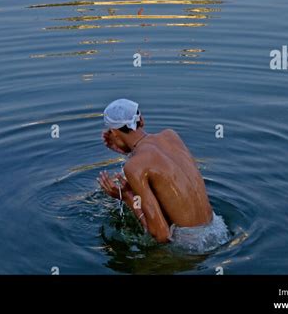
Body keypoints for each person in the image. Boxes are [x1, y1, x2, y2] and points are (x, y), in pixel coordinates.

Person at [98, 99, 229, 254]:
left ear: (113, 132)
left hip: (190, 247)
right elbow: (156, 164)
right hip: (219, 230)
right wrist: (128, 152)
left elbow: (161, 235)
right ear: (142, 120)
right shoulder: (171, 135)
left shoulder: (134, 166)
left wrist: (126, 196)